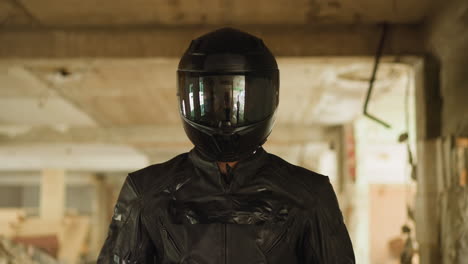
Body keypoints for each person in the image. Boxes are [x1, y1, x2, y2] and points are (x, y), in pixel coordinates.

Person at [98, 27, 355, 264]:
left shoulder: (310, 195)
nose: (226, 117)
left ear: (268, 97)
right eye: (212, 98)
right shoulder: (145, 192)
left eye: (235, 99)